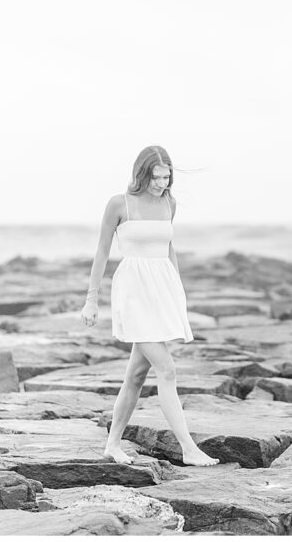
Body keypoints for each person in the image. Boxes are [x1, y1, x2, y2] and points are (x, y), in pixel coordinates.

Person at [80, 145, 219, 467]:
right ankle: (188, 448)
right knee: (167, 369)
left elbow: (170, 249)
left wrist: (178, 293)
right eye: (156, 177)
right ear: (142, 174)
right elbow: (102, 252)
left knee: (136, 376)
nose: (161, 183)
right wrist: (92, 299)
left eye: (166, 177)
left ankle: (112, 444)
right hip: (133, 291)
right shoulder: (119, 203)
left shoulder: (169, 203)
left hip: (162, 289)